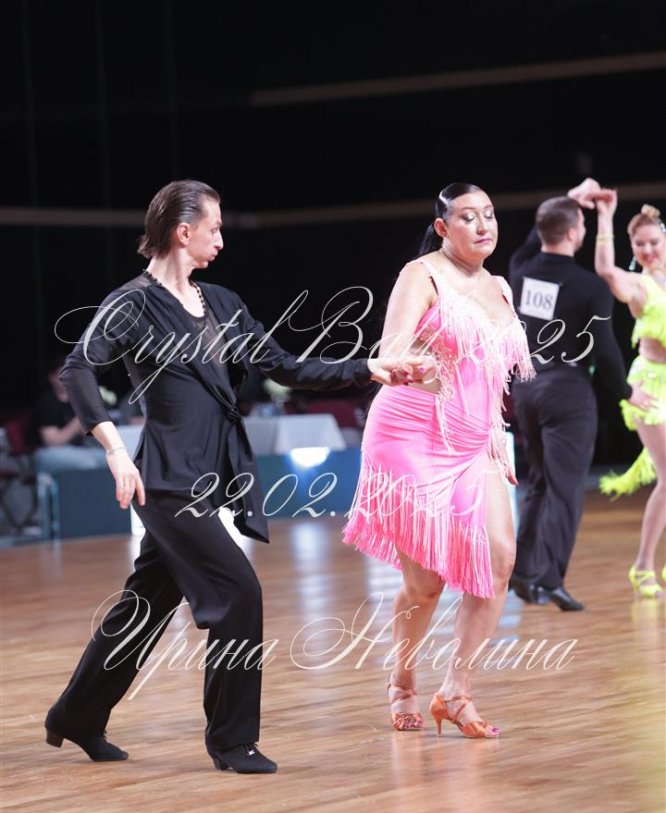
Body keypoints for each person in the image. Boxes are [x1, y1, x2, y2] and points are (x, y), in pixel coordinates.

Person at [44, 179, 434, 774]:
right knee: (237, 594)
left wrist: (370, 366)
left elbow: (284, 365)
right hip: (166, 481)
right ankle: (231, 741)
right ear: (184, 232)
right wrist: (115, 451)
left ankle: (76, 715)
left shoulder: (223, 303)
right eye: (215, 228)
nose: (221, 239)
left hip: (210, 476)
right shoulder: (132, 304)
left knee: (143, 608)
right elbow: (78, 369)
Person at [343, 182, 533, 738]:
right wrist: (407, 362)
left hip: (475, 440)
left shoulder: (499, 287)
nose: (483, 225)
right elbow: (392, 347)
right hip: (411, 434)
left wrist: (495, 433)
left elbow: (491, 374)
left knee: (498, 560)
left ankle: (455, 690)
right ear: (443, 228)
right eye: (468, 217)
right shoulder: (421, 275)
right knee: (426, 582)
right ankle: (402, 679)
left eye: (489, 214)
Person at [507, 179, 653, 611]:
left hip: (526, 388)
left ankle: (523, 573)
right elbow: (605, 351)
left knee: (539, 482)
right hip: (567, 392)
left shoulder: (521, 268)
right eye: (580, 226)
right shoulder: (589, 286)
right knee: (566, 489)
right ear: (574, 233)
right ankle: (551, 579)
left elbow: (536, 235)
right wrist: (627, 391)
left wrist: (571, 198)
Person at [593, 192, 666, 598]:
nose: (648, 250)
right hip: (650, 386)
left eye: (654, 241)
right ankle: (642, 566)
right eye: (640, 244)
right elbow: (606, 269)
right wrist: (605, 215)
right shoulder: (638, 286)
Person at [30, 355, 109, 473]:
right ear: (51, 377)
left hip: (79, 450)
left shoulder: (77, 399)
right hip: (48, 453)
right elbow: (52, 442)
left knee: (109, 459)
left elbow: (86, 434)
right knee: (88, 463)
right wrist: (78, 419)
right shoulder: (48, 403)